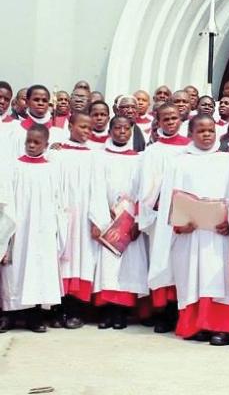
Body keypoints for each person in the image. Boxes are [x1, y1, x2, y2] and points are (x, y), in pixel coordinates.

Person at [166, 114, 229, 344]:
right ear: (191, 134)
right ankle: (195, 324)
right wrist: (179, 222)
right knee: (193, 276)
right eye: (201, 131)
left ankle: (222, 327)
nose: (207, 135)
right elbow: (172, 195)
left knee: (219, 277)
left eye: (210, 131)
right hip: (191, 231)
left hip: (218, 230)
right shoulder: (180, 161)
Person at [0, 124, 64, 333]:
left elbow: (58, 199)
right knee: (14, 270)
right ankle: (9, 314)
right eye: (29, 141)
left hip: (42, 228)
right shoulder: (14, 167)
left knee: (38, 268)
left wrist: (56, 226)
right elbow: (6, 199)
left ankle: (34, 316)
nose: (31, 145)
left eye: (37, 142)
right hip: (18, 226)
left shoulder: (52, 168)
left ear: (46, 145)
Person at [90, 116, 149, 329]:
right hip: (108, 219)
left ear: (132, 130)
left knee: (128, 267)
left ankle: (121, 313)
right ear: (110, 130)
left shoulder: (139, 159)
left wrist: (137, 219)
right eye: (117, 128)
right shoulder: (99, 157)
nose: (122, 132)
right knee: (108, 268)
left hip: (129, 219)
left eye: (126, 128)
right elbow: (95, 188)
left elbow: (144, 191)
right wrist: (99, 217)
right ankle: (106, 312)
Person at [138, 103, 190, 333]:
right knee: (161, 262)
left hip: (183, 215)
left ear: (181, 120)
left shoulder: (190, 149)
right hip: (160, 215)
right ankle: (163, 313)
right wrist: (155, 202)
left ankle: (180, 312)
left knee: (181, 262)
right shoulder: (152, 151)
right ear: (157, 122)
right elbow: (146, 184)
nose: (170, 122)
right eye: (165, 119)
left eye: (174, 118)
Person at [49, 112, 98, 329]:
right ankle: (58, 310)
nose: (86, 131)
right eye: (82, 127)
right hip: (63, 214)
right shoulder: (57, 154)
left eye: (89, 128)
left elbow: (98, 189)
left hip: (84, 216)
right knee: (61, 260)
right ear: (70, 126)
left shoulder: (94, 155)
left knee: (80, 260)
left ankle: (75, 310)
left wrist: (97, 218)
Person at [9, 85, 67, 157]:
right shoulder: (15, 130)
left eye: (44, 100)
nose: (40, 103)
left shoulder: (58, 133)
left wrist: (54, 153)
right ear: (27, 102)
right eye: (36, 99)